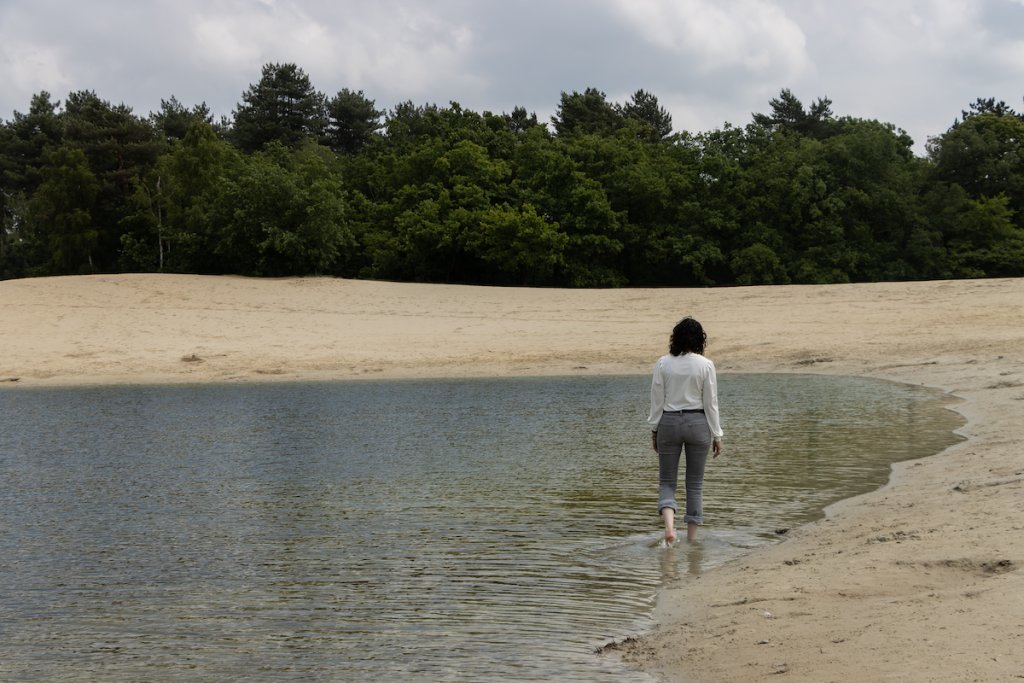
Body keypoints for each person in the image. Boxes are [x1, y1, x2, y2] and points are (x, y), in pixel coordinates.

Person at [648, 317, 723, 543]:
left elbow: (656, 400)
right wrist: (717, 434)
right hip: (698, 422)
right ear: (700, 339)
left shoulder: (663, 363)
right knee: (695, 484)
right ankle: (691, 540)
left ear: (676, 338)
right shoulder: (706, 364)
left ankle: (669, 529)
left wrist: (654, 430)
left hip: (668, 423)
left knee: (667, 482)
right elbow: (711, 403)